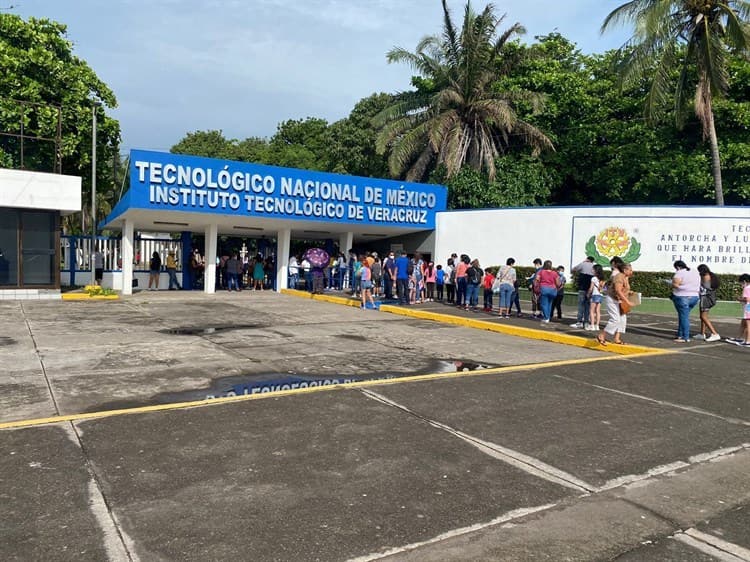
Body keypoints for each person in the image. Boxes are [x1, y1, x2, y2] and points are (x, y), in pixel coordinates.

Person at [597, 262, 633, 345]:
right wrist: (627, 301)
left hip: (619, 301)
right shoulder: (619, 277)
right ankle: (601, 336)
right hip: (612, 300)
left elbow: (623, 289)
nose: (631, 272)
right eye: (630, 270)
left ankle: (617, 338)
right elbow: (618, 290)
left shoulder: (625, 277)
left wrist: (629, 292)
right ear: (625, 270)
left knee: (622, 319)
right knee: (615, 319)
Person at [671, 260, 700, 343]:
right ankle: (680, 335)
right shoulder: (694, 272)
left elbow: (676, 284)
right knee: (683, 316)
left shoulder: (679, 273)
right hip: (694, 297)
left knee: (684, 317)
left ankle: (685, 337)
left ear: (678, 267)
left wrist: (671, 283)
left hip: (682, 296)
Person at [696, 264, 721, 342]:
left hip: (706, 298)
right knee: (702, 316)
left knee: (704, 317)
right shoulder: (711, 275)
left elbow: (702, 287)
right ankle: (702, 333)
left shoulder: (705, 277)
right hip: (709, 298)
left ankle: (714, 333)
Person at [726, 273, 750, 347]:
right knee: (743, 324)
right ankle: (738, 338)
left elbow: (747, 299)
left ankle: (748, 341)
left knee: (748, 325)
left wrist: (739, 298)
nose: (741, 285)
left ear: (744, 281)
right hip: (747, 308)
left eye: (741, 283)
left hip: (748, 308)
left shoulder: (746, 288)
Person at [571, 256, 595, 329]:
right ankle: (586, 322)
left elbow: (573, 269)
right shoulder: (594, 266)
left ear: (587, 259)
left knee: (581, 305)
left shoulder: (583, 264)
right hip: (590, 289)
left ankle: (579, 322)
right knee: (587, 306)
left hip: (582, 287)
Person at [587, 264, 605, 331]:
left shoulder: (594, 278)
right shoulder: (602, 279)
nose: (592, 270)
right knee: (598, 311)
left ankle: (592, 325)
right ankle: (597, 325)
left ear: (596, 270)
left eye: (593, 269)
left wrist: (588, 294)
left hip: (594, 295)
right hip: (600, 295)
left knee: (591, 311)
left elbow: (591, 288)